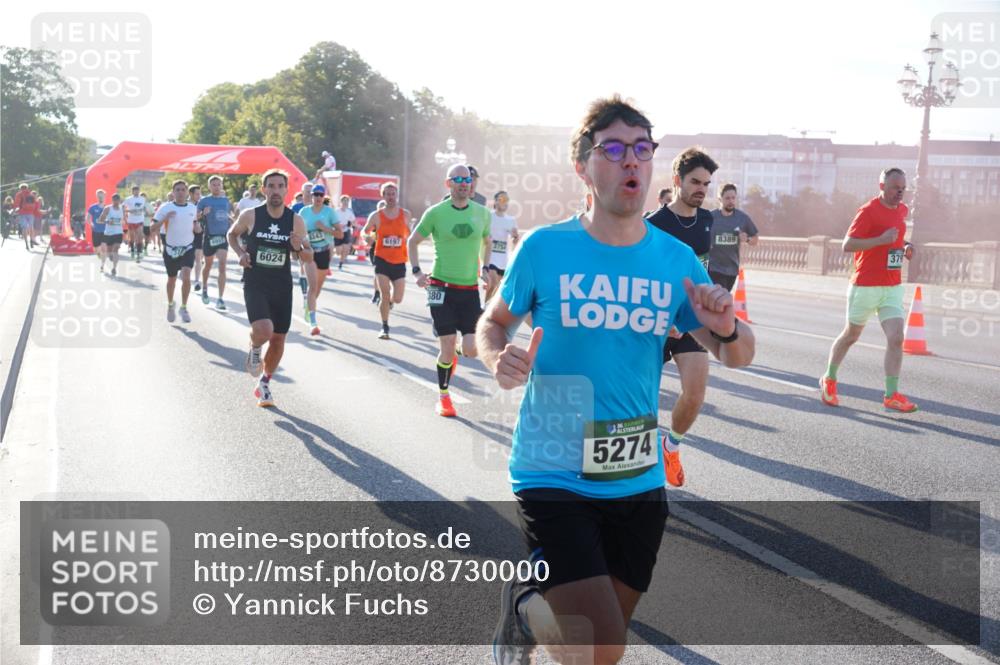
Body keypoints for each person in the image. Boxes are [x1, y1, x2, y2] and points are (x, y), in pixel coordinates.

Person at [476, 95, 755, 665]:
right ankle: (525, 612)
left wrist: (727, 327)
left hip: (637, 477)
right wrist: (497, 355)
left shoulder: (675, 260)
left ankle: (532, 615)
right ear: (583, 166)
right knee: (600, 647)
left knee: (601, 638)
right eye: (614, 149)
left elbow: (740, 355)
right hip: (553, 471)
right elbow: (493, 321)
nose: (631, 159)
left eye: (642, 149)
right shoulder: (545, 248)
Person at [644, 147, 719, 487]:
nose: (702, 189)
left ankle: (670, 447)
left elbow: (701, 272)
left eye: (706, 183)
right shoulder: (653, 225)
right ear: (677, 180)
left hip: (691, 323)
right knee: (640, 400)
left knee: (695, 394)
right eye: (695, 182)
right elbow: (641, 279)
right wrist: (662, 318)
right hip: (653, 324)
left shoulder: (707, 220)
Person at [820, 167, 917, 413]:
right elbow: (848, 244)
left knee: (896, 338)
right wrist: (880, 240)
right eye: (895, 188)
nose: (900, 193)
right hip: (865, 285)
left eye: (903, 188)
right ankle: (829, 378)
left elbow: (895, 238)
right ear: (882, 186)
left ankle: (891, 395)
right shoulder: (868, 211)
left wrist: (905, 246)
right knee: (851, 336)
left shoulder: (902, 210)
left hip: (892, 286)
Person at [408, 164, 492, 417]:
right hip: (440, 287)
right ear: (449, 184)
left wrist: (485, 267)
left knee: (472, 350)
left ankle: (455, 350)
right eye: (458, 180)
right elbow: (413, 241)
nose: (464, 184)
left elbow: (487, 241)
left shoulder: (482, 213)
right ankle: (444, 397)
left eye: (467, 180)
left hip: (469, 289)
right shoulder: (435, 213)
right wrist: (417, 272)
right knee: (445, 344)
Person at [228, 169, 313, 407]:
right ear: (264, 189)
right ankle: (255, 346)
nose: (276, 191)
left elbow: (308, 256)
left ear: (286, 190)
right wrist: (240, 253)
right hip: (255, 281)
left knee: (278, 339)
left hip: (281, 285)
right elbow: (232, 235)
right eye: (271, 186)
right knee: (264, 330)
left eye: (280, 186)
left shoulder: (295, 220)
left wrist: (298, 247)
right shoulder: (250, 215)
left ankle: (264, 383)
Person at [362, 182, 411, 339]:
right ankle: (385, 326)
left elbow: (410, 234)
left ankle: (388, 303)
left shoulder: (405, 214)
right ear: (383, 196)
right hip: (382, 259)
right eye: (388, 194)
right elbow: (364, 231)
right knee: (384, 294)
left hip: (399, 260)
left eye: (393, 194)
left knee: (398, 298)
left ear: (397, 195)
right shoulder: (376, 215)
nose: (391, 197)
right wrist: (367, 237)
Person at [151, 180, 202, 323]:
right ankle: (170, 305)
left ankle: (184, 307)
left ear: (187, 192)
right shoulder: (165, 207)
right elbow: (152, 228)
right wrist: (165, 218)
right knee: (172, 279)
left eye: (183, 190)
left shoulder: (192, 208)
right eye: (177, 190)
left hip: (187, 247)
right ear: (173, 192)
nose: (180, 192)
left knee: (186, 276)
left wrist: (197, 228)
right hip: (171, 249)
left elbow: (195, 225)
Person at [299, 184, 342, 335]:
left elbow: (340, 234)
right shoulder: (304, 212)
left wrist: (325, 229)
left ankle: (309, 307)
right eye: (315, 194)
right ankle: (313, 323)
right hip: (309, 252)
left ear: (324, 197)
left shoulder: (329, 212)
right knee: (312, 286)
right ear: (311, 196)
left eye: (320, 195)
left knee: (317, 288)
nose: (318, 197)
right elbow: (297, 230)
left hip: (324, 252)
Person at [708, 183, 759, 292]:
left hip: (732, 269)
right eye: (727, 198)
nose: (731, 201)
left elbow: (755, 240)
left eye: (733, 198)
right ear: (720, 199)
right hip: (714, 268)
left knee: (723, 297)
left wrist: (747, 239)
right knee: (720, 295)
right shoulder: (710, 217)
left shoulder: (742, 218)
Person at [197, 175, 233, 310]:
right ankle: (205, 288)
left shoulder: (226, 200)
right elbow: (196, 217)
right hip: (209, 236)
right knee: (208, 265)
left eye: (219, 184)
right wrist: (203, 213)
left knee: (222, 265)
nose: (217, 187)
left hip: (223, 236)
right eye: (214, 185)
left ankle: (220, 298)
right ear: (209, 187)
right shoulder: (204, 200)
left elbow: (227, 215)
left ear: (221, 186)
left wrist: (232, 221)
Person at [484, 190, 520, 303]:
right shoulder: (488, 216)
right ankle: (484, 309)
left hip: (503, 259)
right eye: (501, 199)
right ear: (495, 201)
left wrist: (515, 237)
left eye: (507, 200)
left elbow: (515, 241)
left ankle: (486, 307)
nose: (504, 202)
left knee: (497, 289)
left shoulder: (511, 220)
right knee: (493, 283)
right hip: (490, 257)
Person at [97, 194, 126, 275]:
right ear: (112, 200)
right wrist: (107, 221)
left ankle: (114, 268)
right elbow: (100, 220)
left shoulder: (122, 208)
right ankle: (105, 261)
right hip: (109, 233)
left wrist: (123, 222)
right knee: (109, 251)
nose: (116, 202)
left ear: (119, 200)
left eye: (117, 200)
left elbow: (124, 219)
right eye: (114, 200)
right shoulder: (108, 208)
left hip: (118, 232)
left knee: (116, 249)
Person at [188, 185, 206, 293]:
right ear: (190, 194)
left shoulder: (201, 204)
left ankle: (197, 281)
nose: (199, 196)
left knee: (198, 258)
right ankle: (185, 276)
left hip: (199, 234)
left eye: (200, 193)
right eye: (197, 194)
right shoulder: (185, 205)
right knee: (188, 258)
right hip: (186, 234)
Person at [124, 185, 147, 262]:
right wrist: (130, 211)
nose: (137, 192)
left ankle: (139, 253)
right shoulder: (128, 199)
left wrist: (144, 211)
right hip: (131, 221)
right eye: (135, 190)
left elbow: (144, 208)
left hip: (140, 220)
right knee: (132, 238)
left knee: (140, 237)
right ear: (132, 191)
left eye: (138, 190)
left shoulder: (143, 199)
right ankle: (132, 250)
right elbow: (122, 208)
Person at [334, 195, 356, 269]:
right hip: (337, 231)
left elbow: (353, 221)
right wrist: (337, 225)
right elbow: (331, 221)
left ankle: (341, 263)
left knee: (345, 248)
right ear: (341, 202)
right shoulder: (336, 211)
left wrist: (354, 225)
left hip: (346, 231)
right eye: (344, 201)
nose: (345, 203)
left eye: (347, 202)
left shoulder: (349, 212)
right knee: (338, 251)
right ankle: (336, 253)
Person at [88, 190, 107, 257]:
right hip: (96, 231)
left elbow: (111, 218)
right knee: (96, 248)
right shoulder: (92, 207)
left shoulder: (107, 208)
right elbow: (88, 218)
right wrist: (91, 224)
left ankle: (103, 257)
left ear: (104, 196)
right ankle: (99, 254)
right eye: (99, 196)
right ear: (97, 197)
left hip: (105, 231)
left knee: (104, 246)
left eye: (102, 196)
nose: (100, 197)